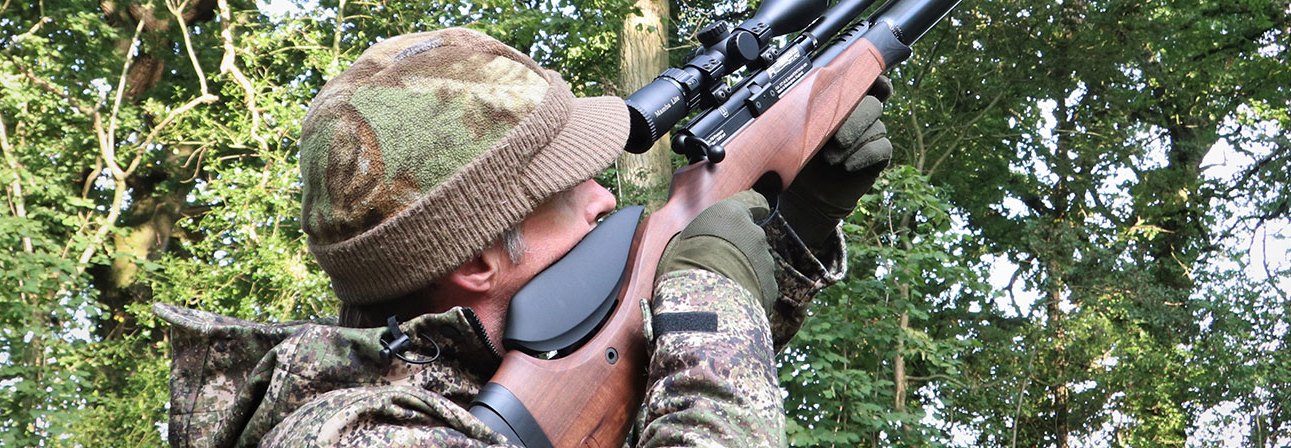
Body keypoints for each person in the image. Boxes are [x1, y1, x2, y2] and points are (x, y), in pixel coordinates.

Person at [153, 27, 892, 447]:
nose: (605, 198)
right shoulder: (350, 438)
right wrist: (709, 303)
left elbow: (654, 399)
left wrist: (797, 228)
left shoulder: (482, 394)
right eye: (570, 192)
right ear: (476, 258)